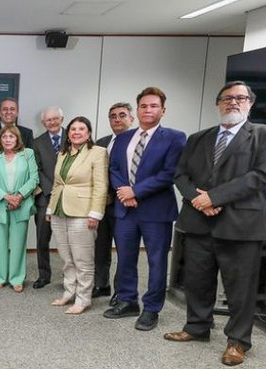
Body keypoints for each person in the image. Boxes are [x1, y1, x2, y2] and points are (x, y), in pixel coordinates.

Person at [165, 81, 266, 366]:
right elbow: (180, 175)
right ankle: (197, 327)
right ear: (218, 103)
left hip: (240, 224)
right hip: (197, 222)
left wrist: (214, 197)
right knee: (197, 280)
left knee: (240, 287)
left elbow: (259, 177)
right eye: (227, 98)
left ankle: (237, 342)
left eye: (240, 98)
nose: (233, 102)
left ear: (250, 103)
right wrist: (197, 199)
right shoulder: (198, 138)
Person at [104, 87, 186, 332]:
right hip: (126, 210)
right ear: (137, 109)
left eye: (153, 106)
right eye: (143, 106)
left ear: (163, 110)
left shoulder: (175, 137)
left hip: (156, 211)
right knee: (126, 258)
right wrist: (123, 191)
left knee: (156, 260)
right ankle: (128, 300)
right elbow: (114, 169)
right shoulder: (123, 138)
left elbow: (169, 173)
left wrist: (135, 191)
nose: (148, 110)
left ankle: (151, 308)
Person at [46, 116, 108, 314]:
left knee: (83, 259)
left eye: (81, 128)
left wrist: (96, 213)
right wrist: (50, 208)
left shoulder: (97, 152)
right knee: (66, 258)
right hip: (59, 211)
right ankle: (69, 291)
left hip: (83, 213)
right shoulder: (63, 153)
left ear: (88, 133)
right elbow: (57, 184)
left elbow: (101, 185)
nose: (76, 132)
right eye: (73, 129)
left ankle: (83, 298)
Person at [0, 125, 38, 292]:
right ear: (0, 140)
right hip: (0, 204)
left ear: (17, 139)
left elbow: (34, 178)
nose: (8, 140)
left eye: (11, 137)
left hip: (21, 204)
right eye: (5, 137)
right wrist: (6, 197)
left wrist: (19, 196)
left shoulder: (27, 154)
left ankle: (16, 278)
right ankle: (0, 277)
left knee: (18, 244)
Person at [94, 102, 135, 303]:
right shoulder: (101, 142)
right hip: (102, 204)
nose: (117, 119)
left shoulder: (136, 142)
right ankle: (101, 284)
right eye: (113, 116)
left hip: (124, 204)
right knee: (100, 247)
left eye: (122, 115)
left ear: (131, 119)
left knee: (124, 250)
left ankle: (121, 292)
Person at [31, 107, 65, 289]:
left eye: (55, 119)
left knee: (68, 241)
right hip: (45, 197)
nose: (52, 122)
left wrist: (62, 190)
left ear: (62, 118)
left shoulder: (75, 136)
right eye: (48, 120)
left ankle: (70, 276)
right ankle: (44, 275)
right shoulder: (37, 143)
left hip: (70, 198)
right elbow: (36, 169)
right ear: (43, 123)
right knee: (42, 239)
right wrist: (52, 190)